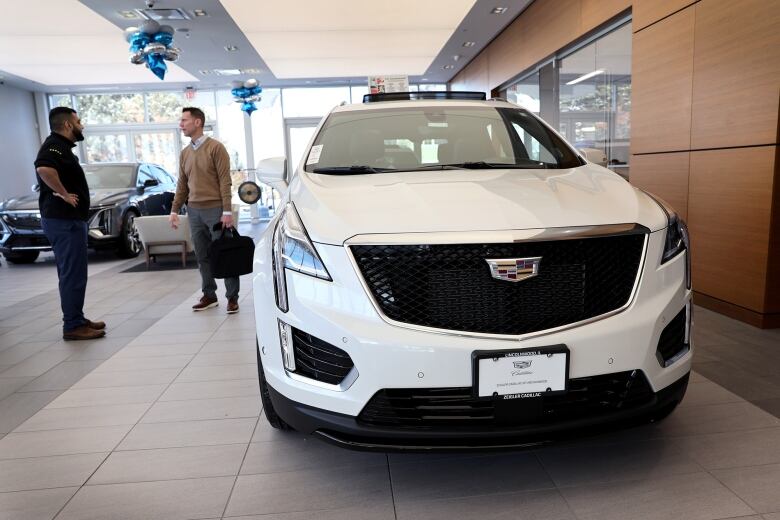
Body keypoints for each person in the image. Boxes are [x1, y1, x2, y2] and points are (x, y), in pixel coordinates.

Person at [35, 107, 106, 340]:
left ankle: (76, 317)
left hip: (68, 220)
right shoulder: (54, 146)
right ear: (67, 125)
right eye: (78, 121)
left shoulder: (61, 147)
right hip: (63, 221)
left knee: (74, 273)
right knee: (72, 274)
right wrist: (64, 194)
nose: (81, 125)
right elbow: (44, 168)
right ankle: (73, 325)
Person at [169, 107, 240, 313]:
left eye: (184, 120)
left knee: (224, 254)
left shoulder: (216, 148)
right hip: (194, 211)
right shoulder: (185, 153)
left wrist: (227, 211)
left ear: (197, 122)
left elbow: (225, 181)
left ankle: (232, 297)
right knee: (202, 255)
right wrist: (174, 210)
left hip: (216, 210)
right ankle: (209, 295)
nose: (181, 124)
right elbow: (182, 184)